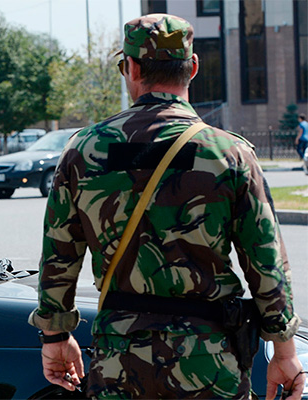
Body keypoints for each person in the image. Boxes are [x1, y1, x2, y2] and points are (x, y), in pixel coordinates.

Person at [28, 14, 304, 399]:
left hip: (118, 363)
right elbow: (266, 262)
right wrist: (284, 351)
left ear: (132, 68)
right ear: (192, 68)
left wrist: (56, 337)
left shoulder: (83, 150)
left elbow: (58, 256)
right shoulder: (229, 154)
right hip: (208, 364)